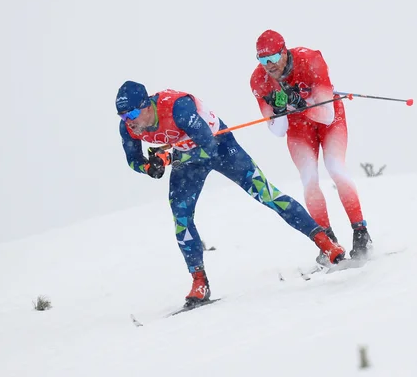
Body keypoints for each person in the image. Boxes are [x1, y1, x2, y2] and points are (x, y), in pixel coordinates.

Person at [116, 80, 345, 307]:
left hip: (220, 146)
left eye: (132, 113)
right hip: (188, 161)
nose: (129, 121)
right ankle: (199, 282)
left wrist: (168, 158)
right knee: (181, 218)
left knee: (267, 194)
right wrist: (149, 167)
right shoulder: (128, 128)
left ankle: (326, 243)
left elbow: (208, 146)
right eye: (123, 116)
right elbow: (133, 161)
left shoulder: (178, 108)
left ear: (147, 106)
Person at [249, 30, 372, 263]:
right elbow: (277, 131)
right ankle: (328, 240)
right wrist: (279, 110)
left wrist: (300, 102)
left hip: (328, 121)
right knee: (309, 178)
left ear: (284, 52)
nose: (269, 65)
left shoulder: (310, 59)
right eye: (263, 60)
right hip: (298, 129)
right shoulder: (259, 80)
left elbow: (326, 115)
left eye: (273, 58)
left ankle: (361, 232)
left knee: (335, 167)